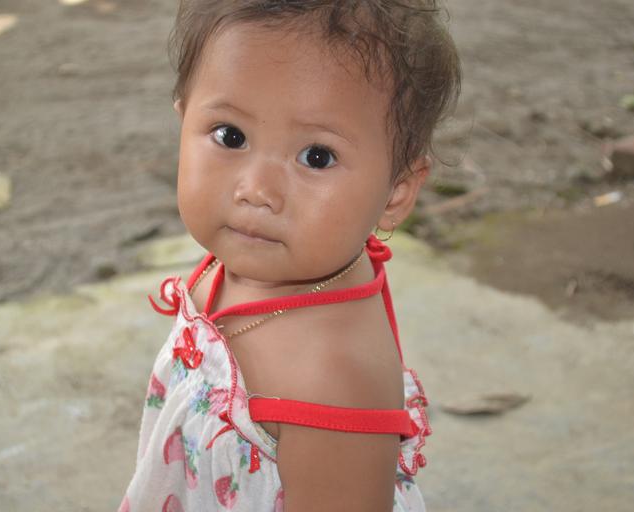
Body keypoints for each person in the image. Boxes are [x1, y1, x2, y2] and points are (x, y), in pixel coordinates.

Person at [120, 1, 460, 510]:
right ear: (182, 120)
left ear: (396, 191)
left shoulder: (334, 377)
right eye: (230, 136)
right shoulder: (251, 261)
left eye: (316, 157)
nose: (256, 189)